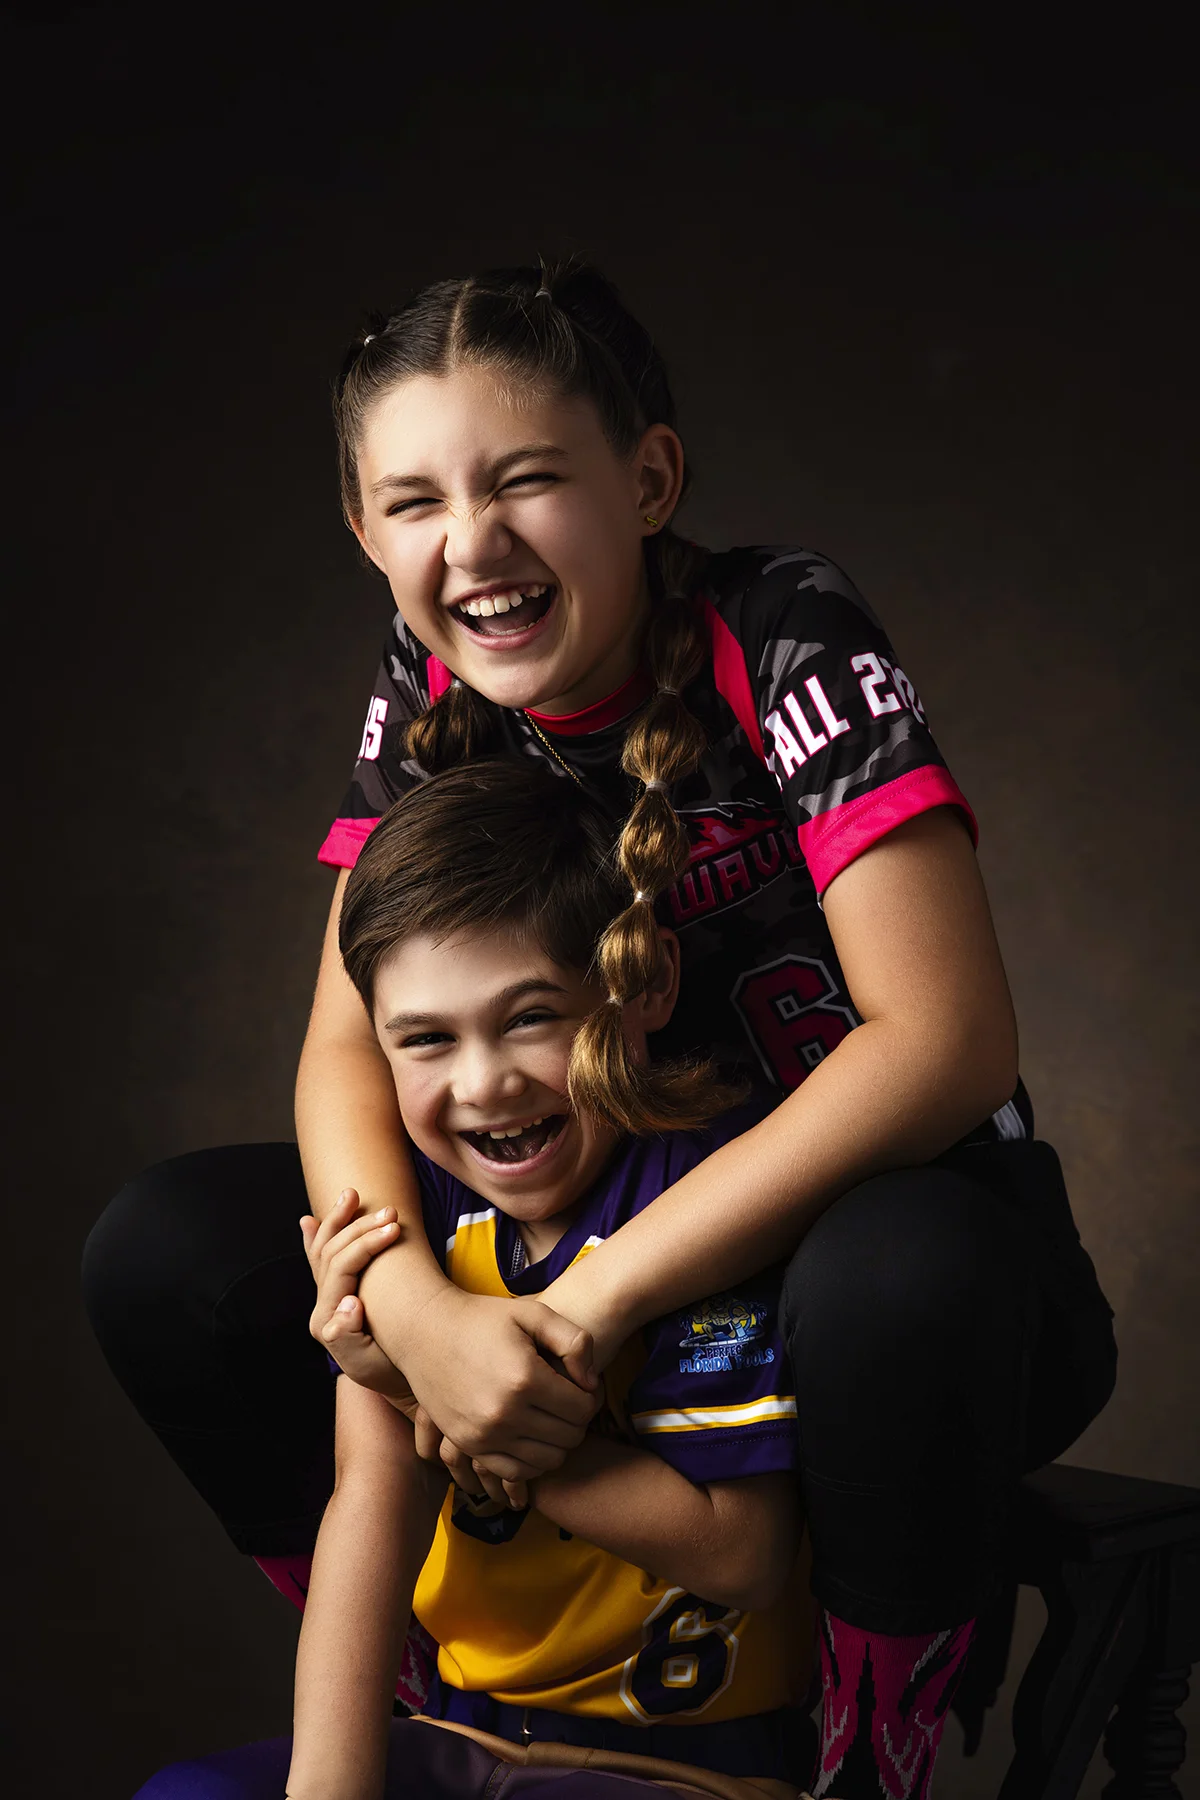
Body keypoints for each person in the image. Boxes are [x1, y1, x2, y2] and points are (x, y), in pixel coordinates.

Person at [85, 260, 1116, 1800]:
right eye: (417, 501)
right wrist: (423, 1319)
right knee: (168, 1246)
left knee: (904, 1273)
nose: (476, 544)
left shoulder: (776, 626)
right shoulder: (432, 679)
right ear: (365, 533)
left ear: (648, 479)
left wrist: (588, 1308)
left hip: (870, 1291)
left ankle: (863, 1735)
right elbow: (347, 1046)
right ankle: (422, 1664)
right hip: (565, 1240)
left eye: (528, 482)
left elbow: (945, 1040)